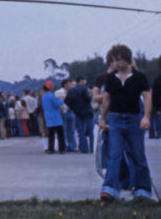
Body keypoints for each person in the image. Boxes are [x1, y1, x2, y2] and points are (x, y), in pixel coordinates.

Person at [99, 44, 153, 201]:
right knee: (114, 155)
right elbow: (106, 99)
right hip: (115, 120)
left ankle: (142, 189)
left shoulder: (139, 78)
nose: (116, 63)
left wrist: (146, 117)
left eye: (119, 60)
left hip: (134, 119)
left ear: (128, 60)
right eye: (113, 60)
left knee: (137, 155)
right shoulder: (110, 79)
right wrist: (103, 118)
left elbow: (147, 96)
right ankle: (109, 189)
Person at [65, 76, 94, 153]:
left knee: (80, 131)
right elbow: (88, 98)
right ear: (81, 80)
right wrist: (91, 96)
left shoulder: (71, 90)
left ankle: (84, 148)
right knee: (90, 131)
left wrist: (73, 107)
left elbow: (66, 100)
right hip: (87, 111)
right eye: (85, 80)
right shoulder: (84, 88)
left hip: (77, 112)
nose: (86, 81)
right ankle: (92, 147)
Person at [41, 80, 65, 154]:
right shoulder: (52, 96)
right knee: (60, 134)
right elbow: (57, 105)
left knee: (51, 135)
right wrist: (61, 99)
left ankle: (51, 149)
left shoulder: (43, 97)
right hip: (56, 117)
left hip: (48, 118)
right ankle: (61, 149)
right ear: (50, 88)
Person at [57, 79, 77, 151]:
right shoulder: (58, 92)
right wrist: (59, 109)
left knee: (71, 130)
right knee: (64, 130)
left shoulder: (72, 91)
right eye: (69, 83)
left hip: (71, 111)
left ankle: (72, 146)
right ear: (65, 84)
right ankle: (64, 146)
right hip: (64, 112)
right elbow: (56, 102)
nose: (71, 84)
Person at [150, 57, 161, 139]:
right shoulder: (157, 79)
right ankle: (157, 132)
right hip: (157, 103)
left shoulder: (156, 78)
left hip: (156, 102)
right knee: (156, 117)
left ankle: (153, 133)